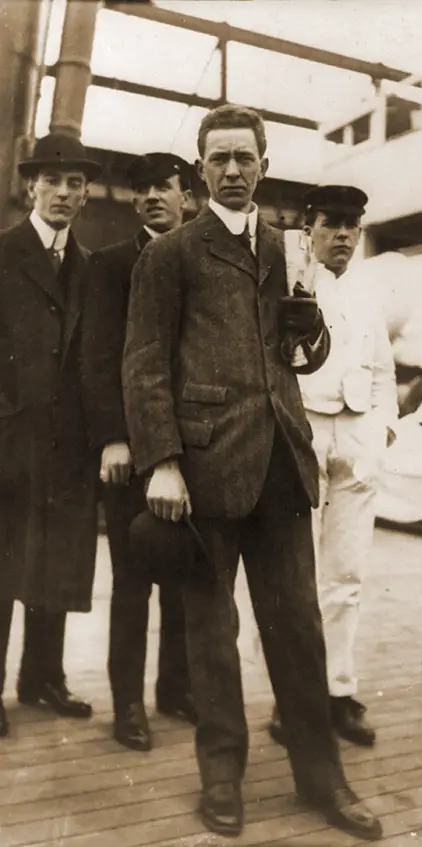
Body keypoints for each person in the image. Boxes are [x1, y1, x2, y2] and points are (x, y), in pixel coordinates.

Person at [122, 104, 382, 841]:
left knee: (298, 627)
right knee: (212, 631)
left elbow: (303, 358)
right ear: (201, 171)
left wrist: (317, 332)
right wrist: (163, 462)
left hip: (280, 468)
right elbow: (143, 365)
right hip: (204, 469)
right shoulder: (169, 255)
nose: (232, 171)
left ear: (264, 165)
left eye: (245, 158)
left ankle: (322, 776)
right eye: (218, 160)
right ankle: (222, 774)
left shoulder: (287, 250)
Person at [268, 185, 398, 749]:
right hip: (305, 435)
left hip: (358, 440)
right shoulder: (292, 286)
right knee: (295, 579)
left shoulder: (369, 292)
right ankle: (290, 699)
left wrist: (382, 428)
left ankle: (339, 693)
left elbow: (385, 372)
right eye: (331, 224)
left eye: (352, 226)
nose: (342, 235)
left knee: (346, 578)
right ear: (310, 229)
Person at [81, 153, 196, 751]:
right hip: (131, 448)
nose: (153, 196)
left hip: (197, 449)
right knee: (132, 580)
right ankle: (128, 704)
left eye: (165, 187)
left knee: (187, 577)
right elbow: (98, 356)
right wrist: (114, 437)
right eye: (143, 189)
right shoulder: (109, 265)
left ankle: (176, 689)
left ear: (187, 198)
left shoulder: (205, 258)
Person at [0, 133, 101, 737]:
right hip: (9, 441)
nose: (63, 192)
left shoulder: (89, 267)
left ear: (86, 195)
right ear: (30, 186)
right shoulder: (4, 252)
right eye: (52, 181)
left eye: (74, 184)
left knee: (54, 561)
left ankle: (43, 679)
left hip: (68, 447)